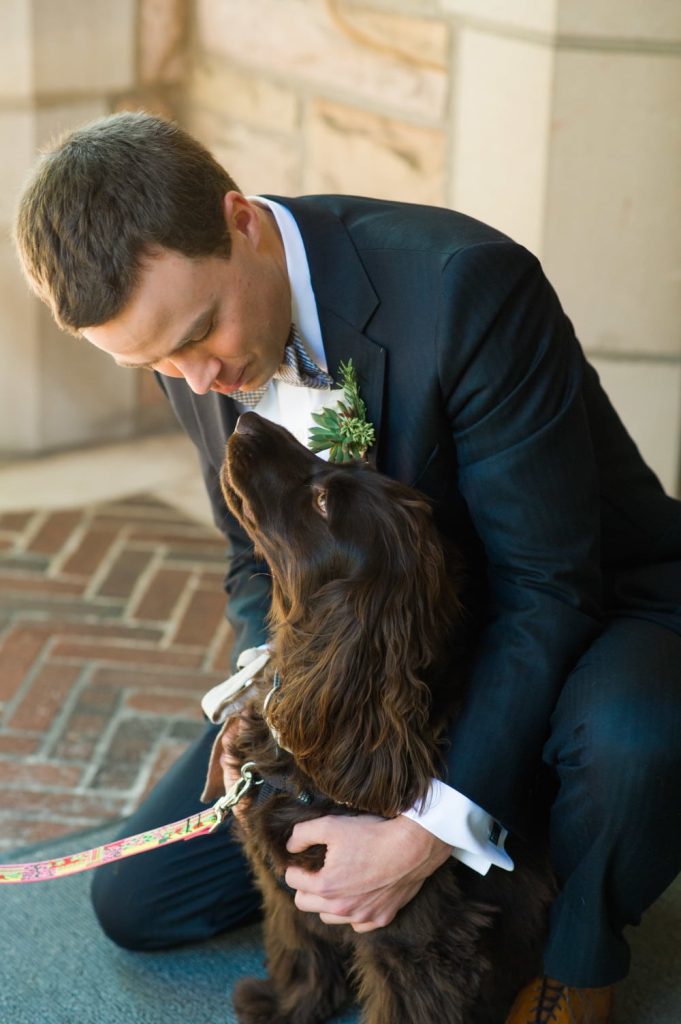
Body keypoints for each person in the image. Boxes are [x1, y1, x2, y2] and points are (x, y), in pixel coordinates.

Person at [13, 112, 681, 1024]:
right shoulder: (184, 341)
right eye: (157, 362)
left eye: (199, 334)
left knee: (633, 746)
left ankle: (577, 952)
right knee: (141, 901)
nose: (197, 380)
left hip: (586, 609)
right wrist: (272, 696)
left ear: (240, 221)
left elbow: (545, 591)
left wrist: (423, 832)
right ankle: (496, 831)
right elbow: (256, 562)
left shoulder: (465, 289)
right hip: (392, 677)